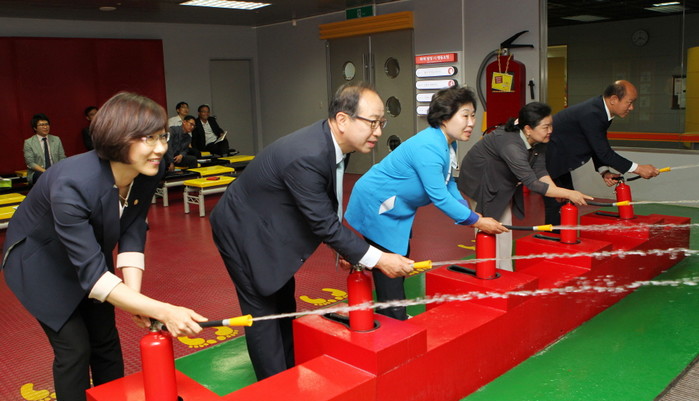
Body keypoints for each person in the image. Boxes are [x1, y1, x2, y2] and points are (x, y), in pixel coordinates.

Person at [2, 92, 207, 401]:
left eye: (162, 137)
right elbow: (95, 277)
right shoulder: (72, 182)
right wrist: (164, 310)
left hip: (89, 251)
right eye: (148, 139)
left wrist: (135, 298)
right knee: (74, 350)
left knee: (106, 341)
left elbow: (133, 227)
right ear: (117, 138)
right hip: (41, 264)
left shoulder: (148, 167)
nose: (160, 148)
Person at [210, 82, 415, 381]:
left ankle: (288, 369)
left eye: (381, 123)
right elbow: (323, 224)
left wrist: (345, 250)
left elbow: (324, 205)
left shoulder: (334, 144)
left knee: (283, 300)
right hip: (243, 229)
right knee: (264, 313)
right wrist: (380, 259)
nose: (378, 132)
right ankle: (276, 389)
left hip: (270, 223)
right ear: (342, 119)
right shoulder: (307, 154)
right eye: (372, 122)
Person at [344, 86, 508, 321]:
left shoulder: (448, 143)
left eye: (473, 115)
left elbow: (448, 183)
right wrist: (476, 221)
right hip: (377, 202)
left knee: (399, 255)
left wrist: (470, 213)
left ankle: (388, 309)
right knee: (391, 260)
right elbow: (439, 196)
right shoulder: (429, 146)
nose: (471, 122)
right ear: (444, 117)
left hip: (397, 207)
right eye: (465, 115)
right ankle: (394, 317)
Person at [459, 102, 592, 271]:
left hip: (501, 179)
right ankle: (488, 270)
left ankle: (504, 269)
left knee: (504, 225)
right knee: (488, 225)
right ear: (528, 129)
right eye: (545, 127)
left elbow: (540, 170)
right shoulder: (511, 145)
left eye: (551, 125)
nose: (550, 130)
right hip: (479, 180)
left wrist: (559, 192)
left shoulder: (538, 139)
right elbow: (532, 182)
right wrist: (568, 193)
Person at [544, 80, 660, 225]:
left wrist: (604, 171)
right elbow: (604, 152)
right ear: (614, 99)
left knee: (567, 202)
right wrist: (638, 169)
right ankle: (553, 237)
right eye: (629, 102)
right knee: (557, 205)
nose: (631, 107)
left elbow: (596, 143)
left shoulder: (601, 111)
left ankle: (560, 235)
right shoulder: (592, 113)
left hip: (559, 161)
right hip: (548, 160)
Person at [23, 113, 66, 185]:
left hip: (55, 171)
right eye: (41, 125)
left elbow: (62, 158)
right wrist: (45, 172)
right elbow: (30, 163)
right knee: (42, 176)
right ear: (35, 128)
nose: (45, 127)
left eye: (46, 124)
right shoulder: (29, 142)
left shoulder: (56, 139)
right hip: (39, 172)